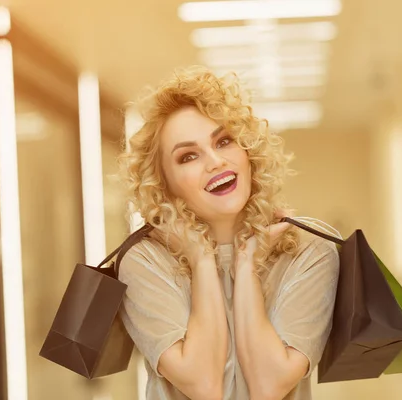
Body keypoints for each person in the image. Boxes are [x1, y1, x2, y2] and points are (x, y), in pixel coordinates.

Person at [116, 66, 340, 400]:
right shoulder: (144, 262)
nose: (215, 162)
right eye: (188, 155)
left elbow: (270, 386)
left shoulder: (309, 252)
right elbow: (204, 386)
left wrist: (247, 265)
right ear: (165, 183)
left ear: (248, 152)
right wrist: (203, 260)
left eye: (224, 141)